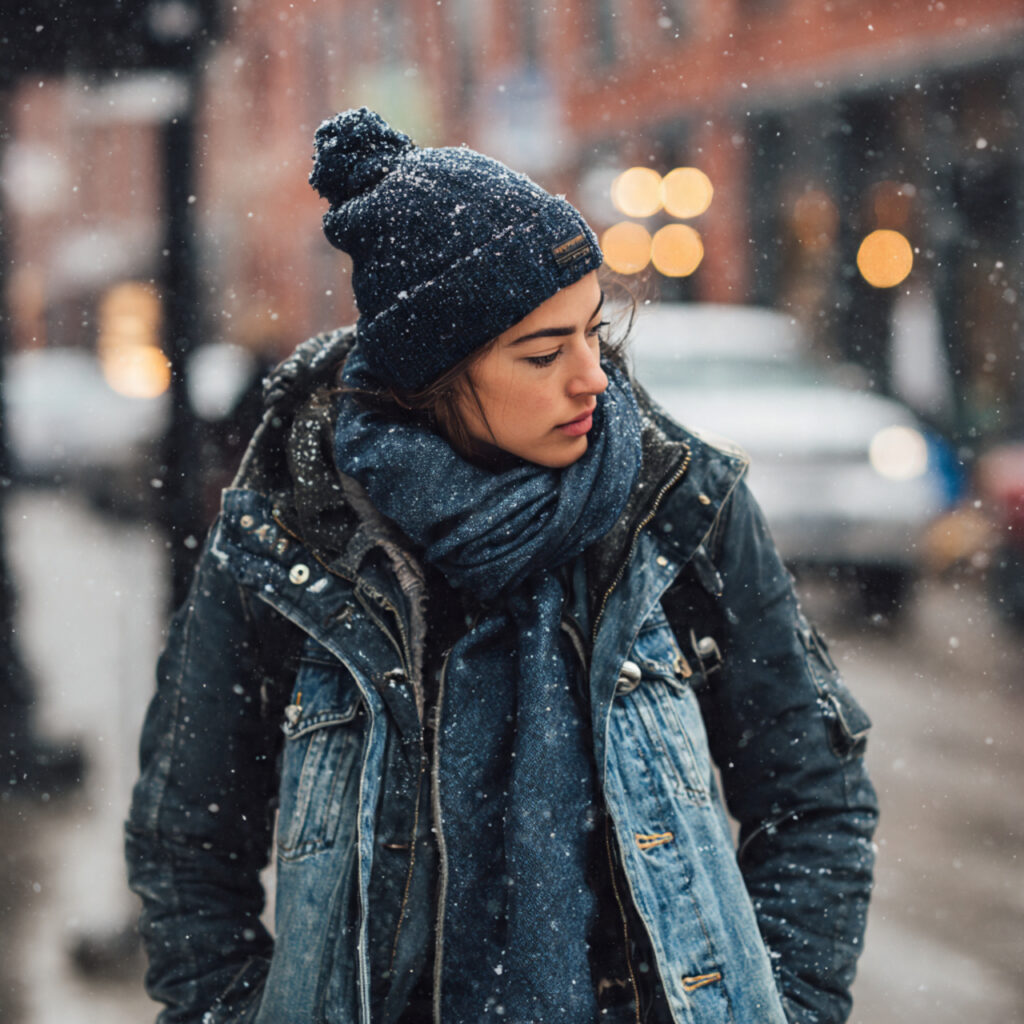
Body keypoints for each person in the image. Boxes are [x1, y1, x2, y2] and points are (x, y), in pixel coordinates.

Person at [126, 108, 878, 1024]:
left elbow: (815, 799)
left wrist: (787, 1009)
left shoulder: (681, 510)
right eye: (542, 350)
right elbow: (186, 843)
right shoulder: (296, 539)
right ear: (434, 377)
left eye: (594, 332)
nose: (593, 378)